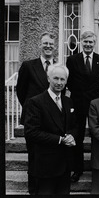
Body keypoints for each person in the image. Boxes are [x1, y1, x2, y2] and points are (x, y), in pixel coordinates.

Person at [24, 64, 78, 195]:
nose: (59, 82)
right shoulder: (35, 102)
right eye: (56, 78)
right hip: (45, 166)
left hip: (65, 164)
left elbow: (74, 125)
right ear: (48, 78)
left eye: (62, 79)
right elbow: (31, 132)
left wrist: (71, 135)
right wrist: (60, 139)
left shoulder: (68, 101)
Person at [16, 31, 58, 194]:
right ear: (39, 45)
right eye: (45, 43)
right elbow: (21, 91)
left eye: (51, 44)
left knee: (49, 154)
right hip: (33, 118)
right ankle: (33, 189)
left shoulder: (57, 66)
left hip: (52, 118)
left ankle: (49, 187)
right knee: (34, 155)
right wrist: (31, 109)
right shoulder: (28, 65)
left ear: (54, 47)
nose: (48, 46)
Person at [66, 31, 99, 182]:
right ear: (81, 43)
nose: (88, 44)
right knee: (77, 136)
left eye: (91, 42)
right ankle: (77, 169)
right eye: (86, 42)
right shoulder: (72, 60)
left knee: (98, 135)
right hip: (77, 103)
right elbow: (69, 81)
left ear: (94, 43)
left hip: (96, 103)